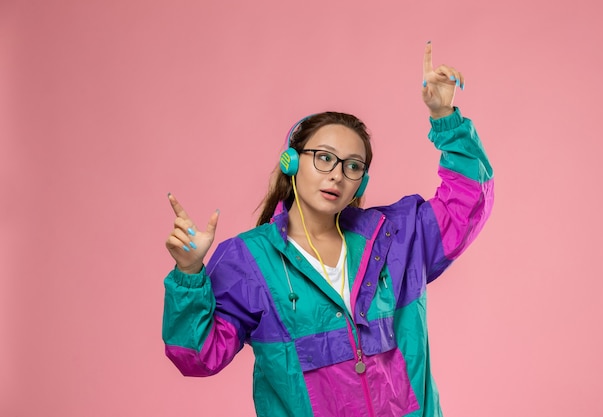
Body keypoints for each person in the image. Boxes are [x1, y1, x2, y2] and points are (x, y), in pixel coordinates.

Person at [162, 41, 494, 417]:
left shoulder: (397, 237)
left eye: (353, 166)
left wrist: (445, 118)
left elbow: (468, 202)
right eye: (323, 158)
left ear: (361, 183)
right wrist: (189, 274)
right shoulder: (249, 261)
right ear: (291, 161)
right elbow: (198, 357)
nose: (336, 173)